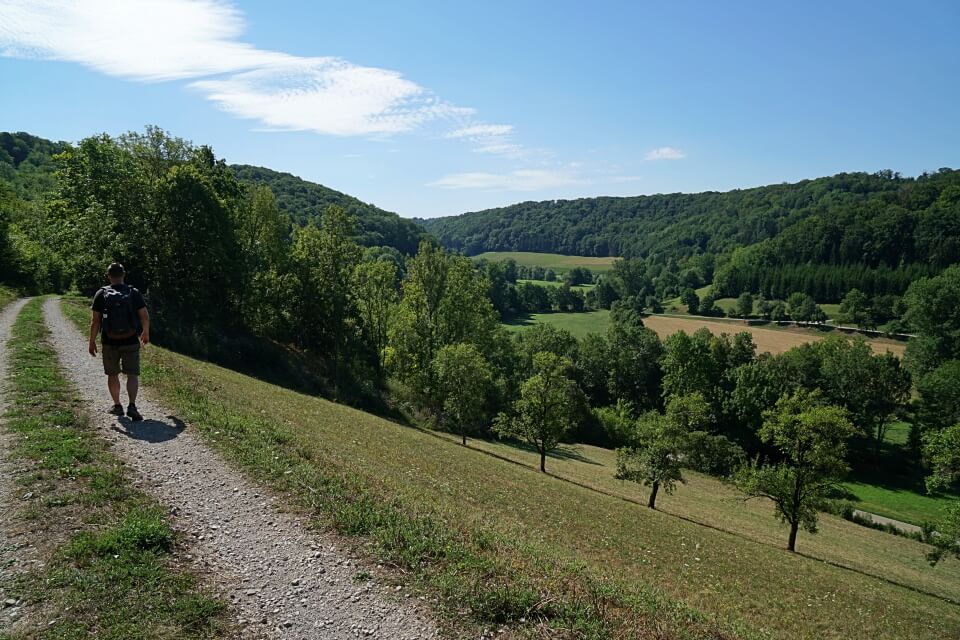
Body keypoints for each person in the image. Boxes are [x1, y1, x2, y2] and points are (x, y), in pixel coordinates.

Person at [88, 262, 150, 421]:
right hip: (130, 340)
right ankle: (132, 406)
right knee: (132, 374)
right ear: (123, 275)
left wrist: (92, 341)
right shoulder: (133, 292)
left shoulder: (101, 294)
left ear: (109, 276)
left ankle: (117, 406)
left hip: (109, 341)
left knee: (112, 374)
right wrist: (145, 333)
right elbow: (144, 315)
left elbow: (95, 321)